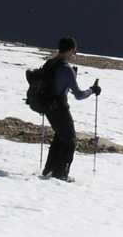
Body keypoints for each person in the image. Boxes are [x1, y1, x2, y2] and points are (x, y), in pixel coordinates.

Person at [39, 36, 99, 181]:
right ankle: (61, 174)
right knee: (70, 140)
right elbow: (78, 95)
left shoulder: (50, 63)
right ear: (71, 50)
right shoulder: (66, 69)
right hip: (60, 108)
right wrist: (92, 90)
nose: (74, 54)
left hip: (48, 107)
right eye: (74, 51)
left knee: (60, 136)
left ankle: (49, 170)